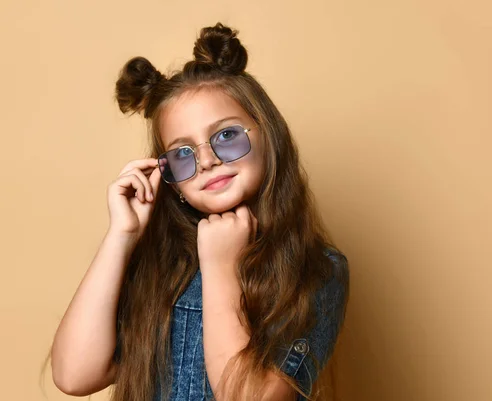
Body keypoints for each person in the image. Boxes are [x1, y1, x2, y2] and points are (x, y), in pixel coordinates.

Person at [48, 22, 349, 401]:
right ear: (170, 178)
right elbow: (74, 375)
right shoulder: (160, 264)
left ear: (268, 135)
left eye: (226, 135)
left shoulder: (317, 270)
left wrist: (221, 268)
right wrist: (121, 237)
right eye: (182, 153)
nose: (206, 160)